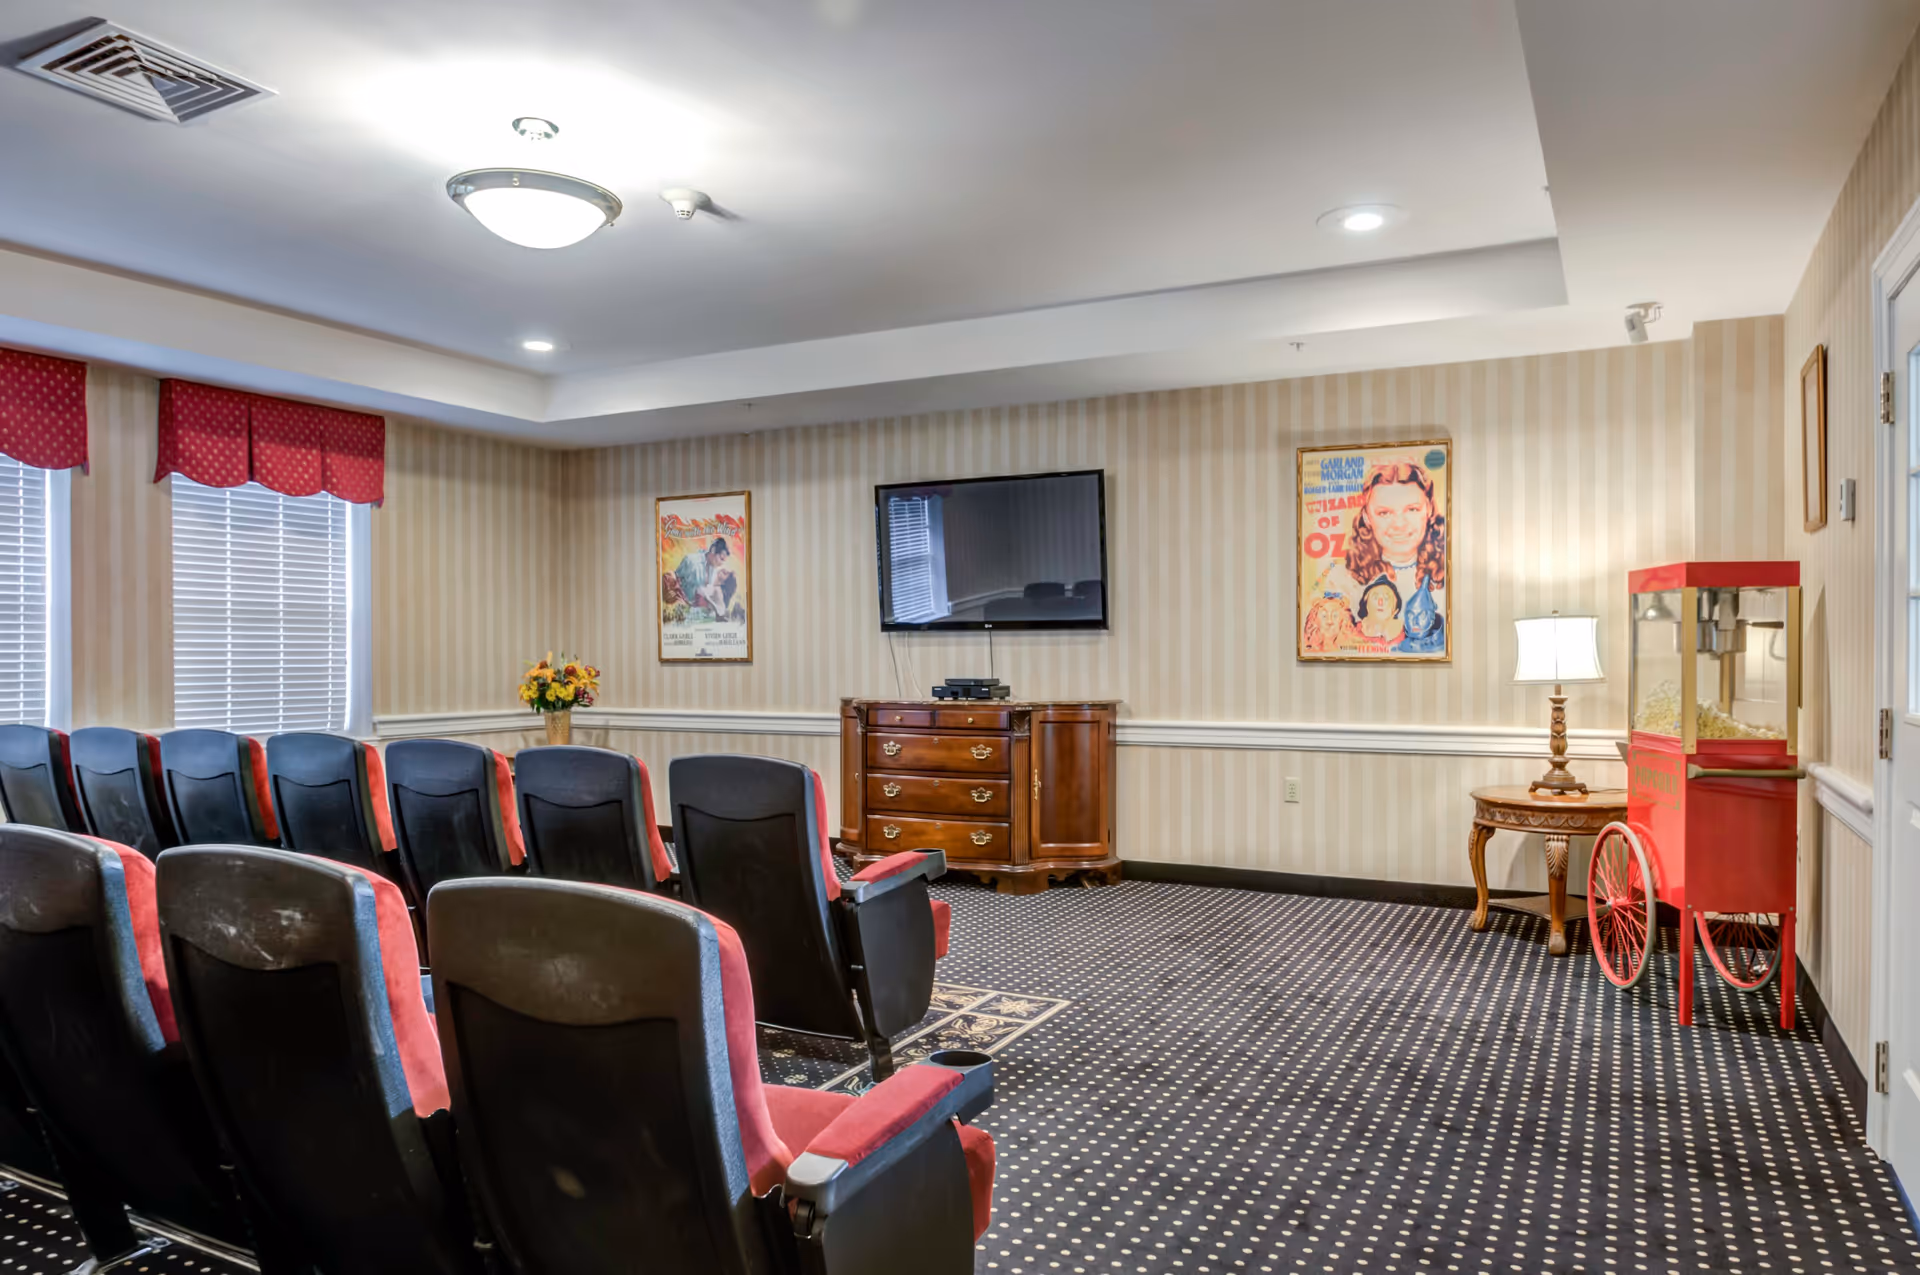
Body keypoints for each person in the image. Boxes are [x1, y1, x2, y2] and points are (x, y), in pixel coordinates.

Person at [1303, 458, 1446, 655]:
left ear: (1429, 509)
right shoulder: (1341, 579)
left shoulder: (1445, 577)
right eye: (1384, 512)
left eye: (1412, 509)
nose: (1399, 524)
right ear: (1366, 516)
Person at [674, 536, 736, 621]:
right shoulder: (691, 561)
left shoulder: (714, 571)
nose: (721, 563)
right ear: (713, 550)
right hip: (681, 610)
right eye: (721, 558)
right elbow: (674, 580)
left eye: (723, 561)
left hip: (696, 614)